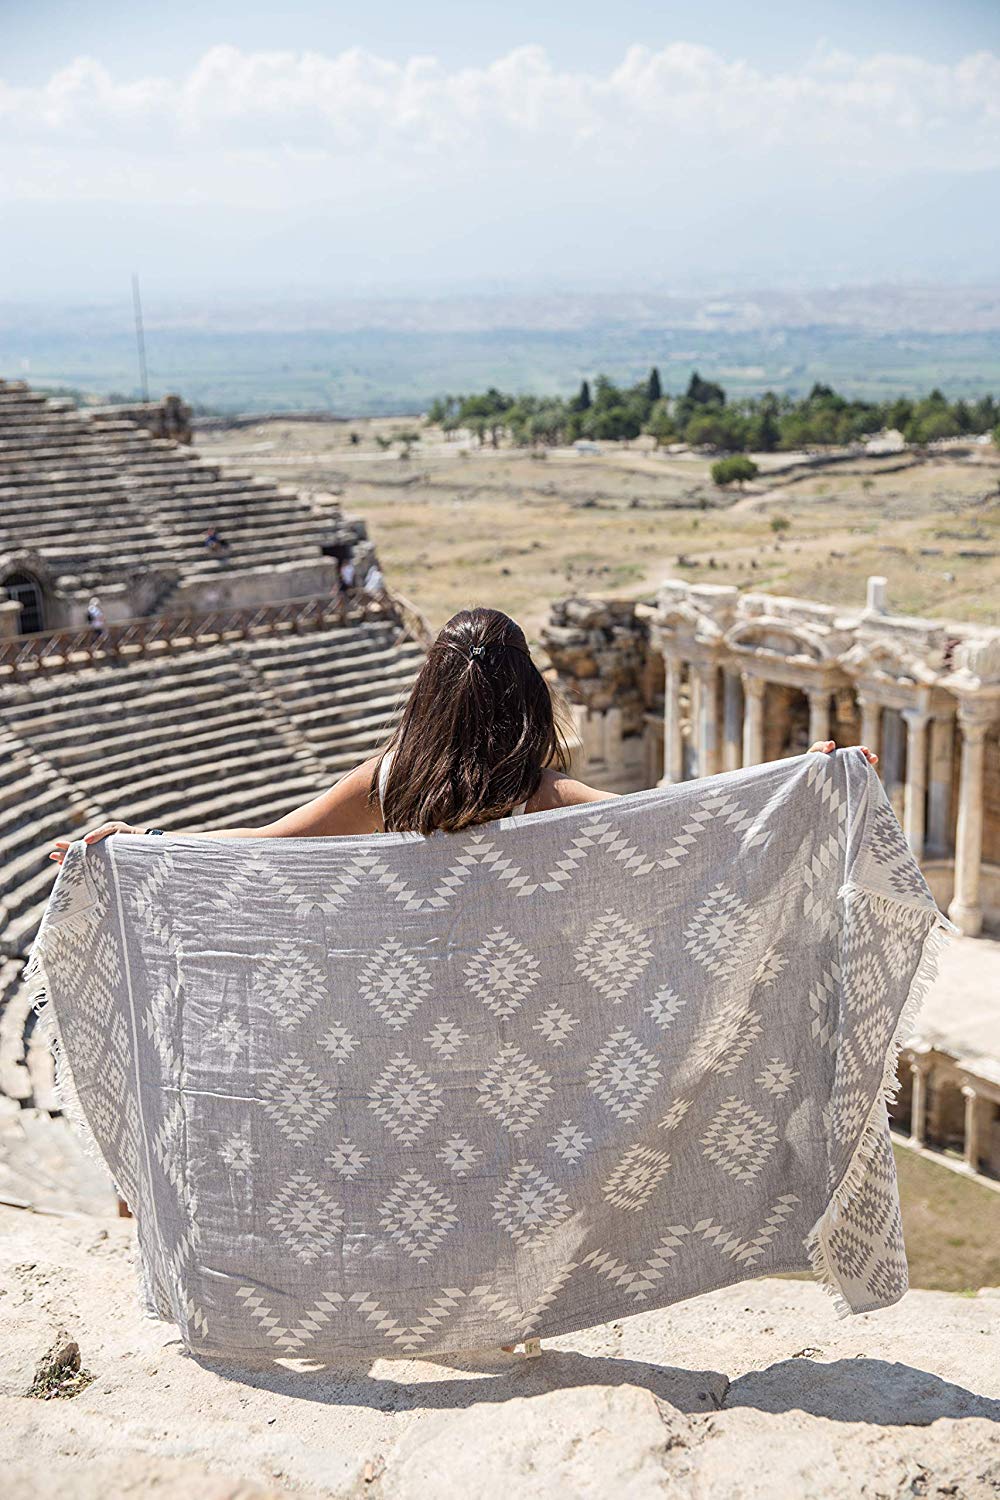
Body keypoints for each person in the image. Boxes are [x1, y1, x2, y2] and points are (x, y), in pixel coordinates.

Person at [49, 606, 877, 1352]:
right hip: (513, 1047)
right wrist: (805, 782)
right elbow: (686, 836)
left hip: (391, 1046)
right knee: (501, 1189)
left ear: (429, 694)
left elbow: (269, 848)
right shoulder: (544, 793)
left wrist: (139, 844)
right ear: (527, 696)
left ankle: (391, 1311)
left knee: (398, 1189)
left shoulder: (386, 781)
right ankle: (495, 1320)